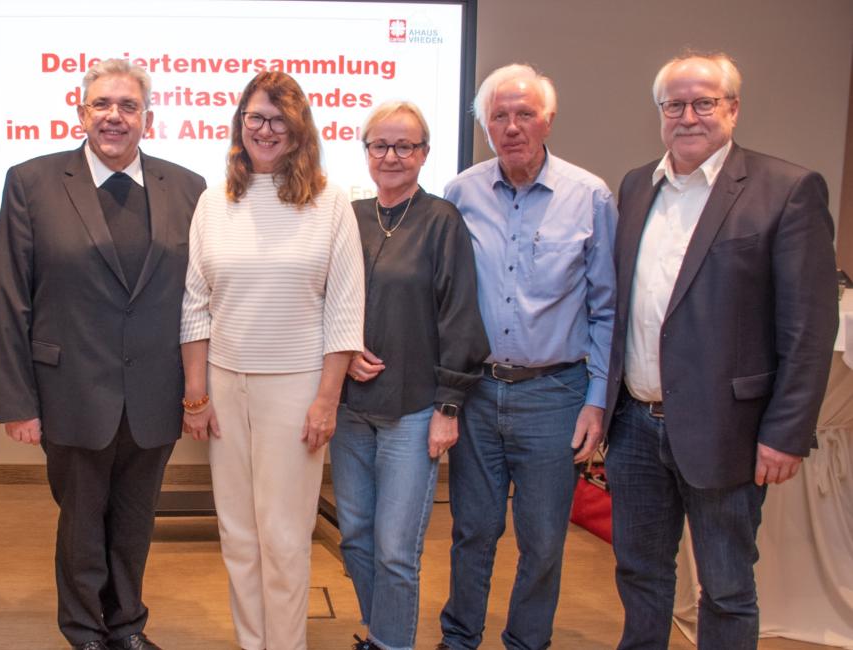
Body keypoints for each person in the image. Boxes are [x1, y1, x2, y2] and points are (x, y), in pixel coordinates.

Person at [604, 52, 837, 650]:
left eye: (704, 102)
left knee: (728, 588)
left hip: (727, 430)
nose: (688, 116)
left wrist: (786, 432)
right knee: (639, 574)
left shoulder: (786, 189)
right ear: (659, 112)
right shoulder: (636, 185)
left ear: (732, 109)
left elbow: (808, 327)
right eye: (674, 104)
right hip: (634, 426)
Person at [0, 59, 205, 650]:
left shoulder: (187, 187)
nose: (115, 116)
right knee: (82, 522)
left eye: (128, 106)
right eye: (102, 105)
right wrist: (16, 400)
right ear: (81, 112)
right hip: (69, 391)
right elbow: (9, 298)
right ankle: (84, 629)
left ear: (147, 117)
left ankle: (127, 625)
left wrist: (197, 390)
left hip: (154, 394)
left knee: (135, 521)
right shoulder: (32, 181)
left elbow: (199, 298)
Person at [180, 70, 365, 650]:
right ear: (240, 124)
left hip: (298, 390)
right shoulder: (214, 201)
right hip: (225, 386)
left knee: (284, 539)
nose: (265, 129)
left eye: (279, 119)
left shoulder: (331, 203)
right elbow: (195, 307)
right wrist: (197, 396)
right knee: (237, 535)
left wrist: (326, 402)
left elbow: (344, 312)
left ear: (299, 128)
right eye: (255, 117)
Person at [438, 63, 616, 650]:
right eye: (499, 115)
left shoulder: (590, 196)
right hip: (479, 392)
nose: (512, 126)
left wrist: (596, 403)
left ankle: (525, 643)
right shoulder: (460, 193)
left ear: (548, 119)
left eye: (525, 113)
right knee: (473, 531)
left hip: (555, 394)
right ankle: (460, 638)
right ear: (484, 125)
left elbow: (606, 310)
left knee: (542, 540)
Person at [333, 101, 488, 650]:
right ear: (367, 152)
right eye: (381, 145)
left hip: (415, 410)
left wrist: (449, 408)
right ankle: (384, 635)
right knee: (353, 537)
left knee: (396, 548)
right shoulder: (348, 217)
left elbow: (461, 316)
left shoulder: (442, 220)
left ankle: (388, 643)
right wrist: (344, 351)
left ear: (424, 154)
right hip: (349, 409)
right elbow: (326, 303)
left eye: (405, 146)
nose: (392, 156)